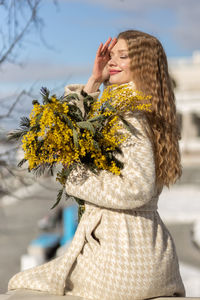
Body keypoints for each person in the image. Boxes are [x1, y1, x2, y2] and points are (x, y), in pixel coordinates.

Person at [8, 30, 185, 299]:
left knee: (20, 283)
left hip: (120, 259)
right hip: (150, 253)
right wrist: (94, 81)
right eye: (111, 55)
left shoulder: (130, 116)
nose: (112, 62)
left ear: (143, 65)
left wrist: (75, 178)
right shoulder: (138, 109)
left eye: (123, 56)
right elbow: (76, 131)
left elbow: (137, 187)